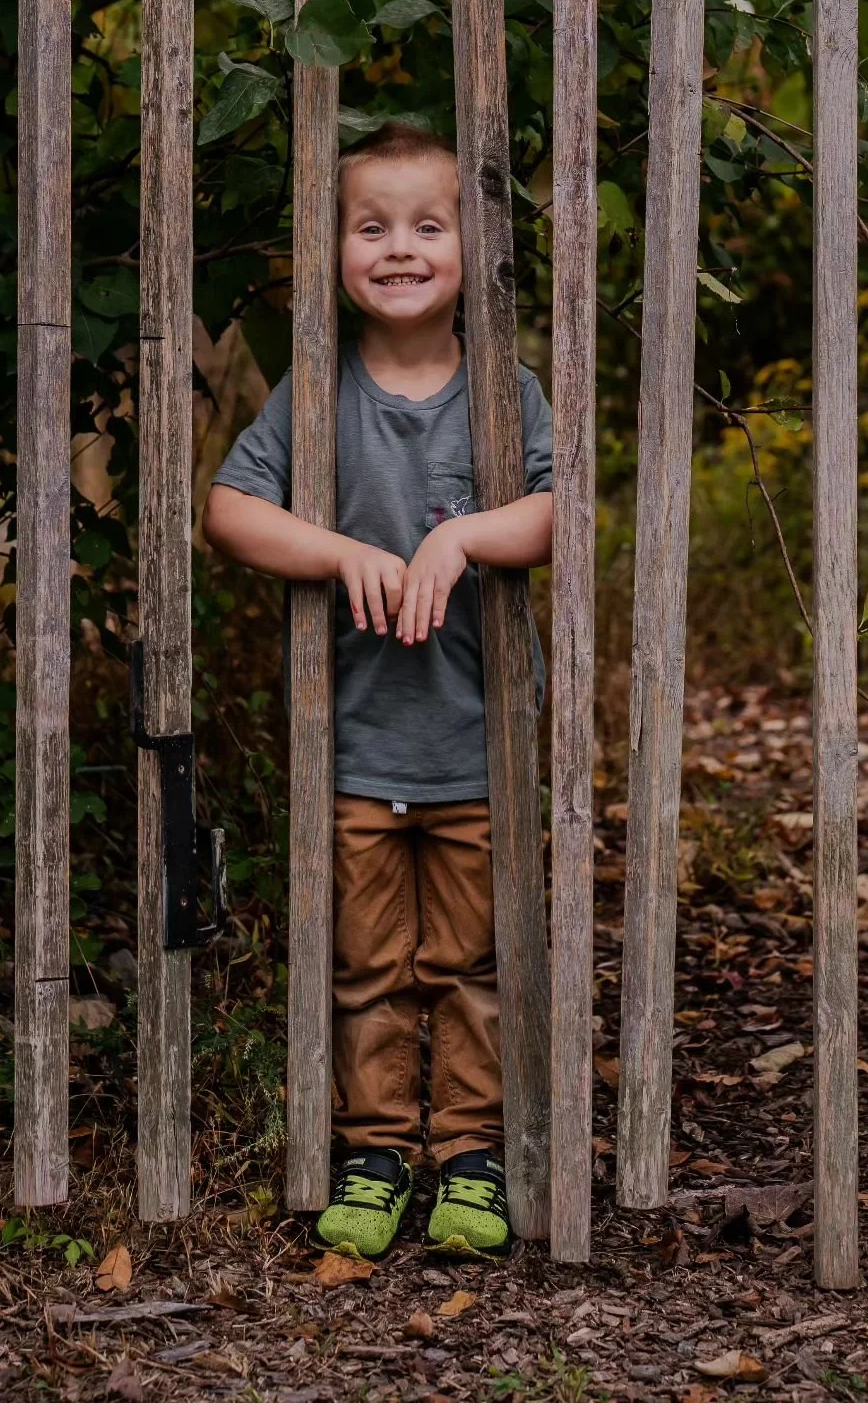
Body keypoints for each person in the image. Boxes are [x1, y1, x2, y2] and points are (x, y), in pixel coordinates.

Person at [203, 122, 553, 1262]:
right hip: (355, 745)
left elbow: (555, 509)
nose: (398, 248)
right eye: (371, 227)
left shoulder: (505, 391)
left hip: (474, 742)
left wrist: (461, 541)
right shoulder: (318, 394)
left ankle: (469, 1155)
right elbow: (230, 511)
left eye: (425, 225)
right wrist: (338, 549)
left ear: (469, 247)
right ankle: (371, 1153)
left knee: (470, 964)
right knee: (365, 965)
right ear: (335, 251)